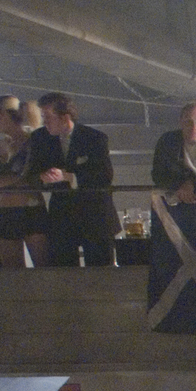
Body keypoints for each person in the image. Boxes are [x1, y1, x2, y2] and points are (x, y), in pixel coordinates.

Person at [28, 92, 117, 267]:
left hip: (95, 214)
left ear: (65, 117)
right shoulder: (39, 138)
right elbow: (31, 172)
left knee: (101, 272)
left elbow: (104, 175)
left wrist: (69, 177)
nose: (44, 122)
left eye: (47, 117)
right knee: (64, 271)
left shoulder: (94, 138)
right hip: (62, 216)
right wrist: (43, 178)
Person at [0, 95, 47, 267]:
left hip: (29, 209)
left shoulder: (32, 142)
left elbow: (24, 178)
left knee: (44, 268)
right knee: (12, 272)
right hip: (2, 212)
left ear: (5, 115)